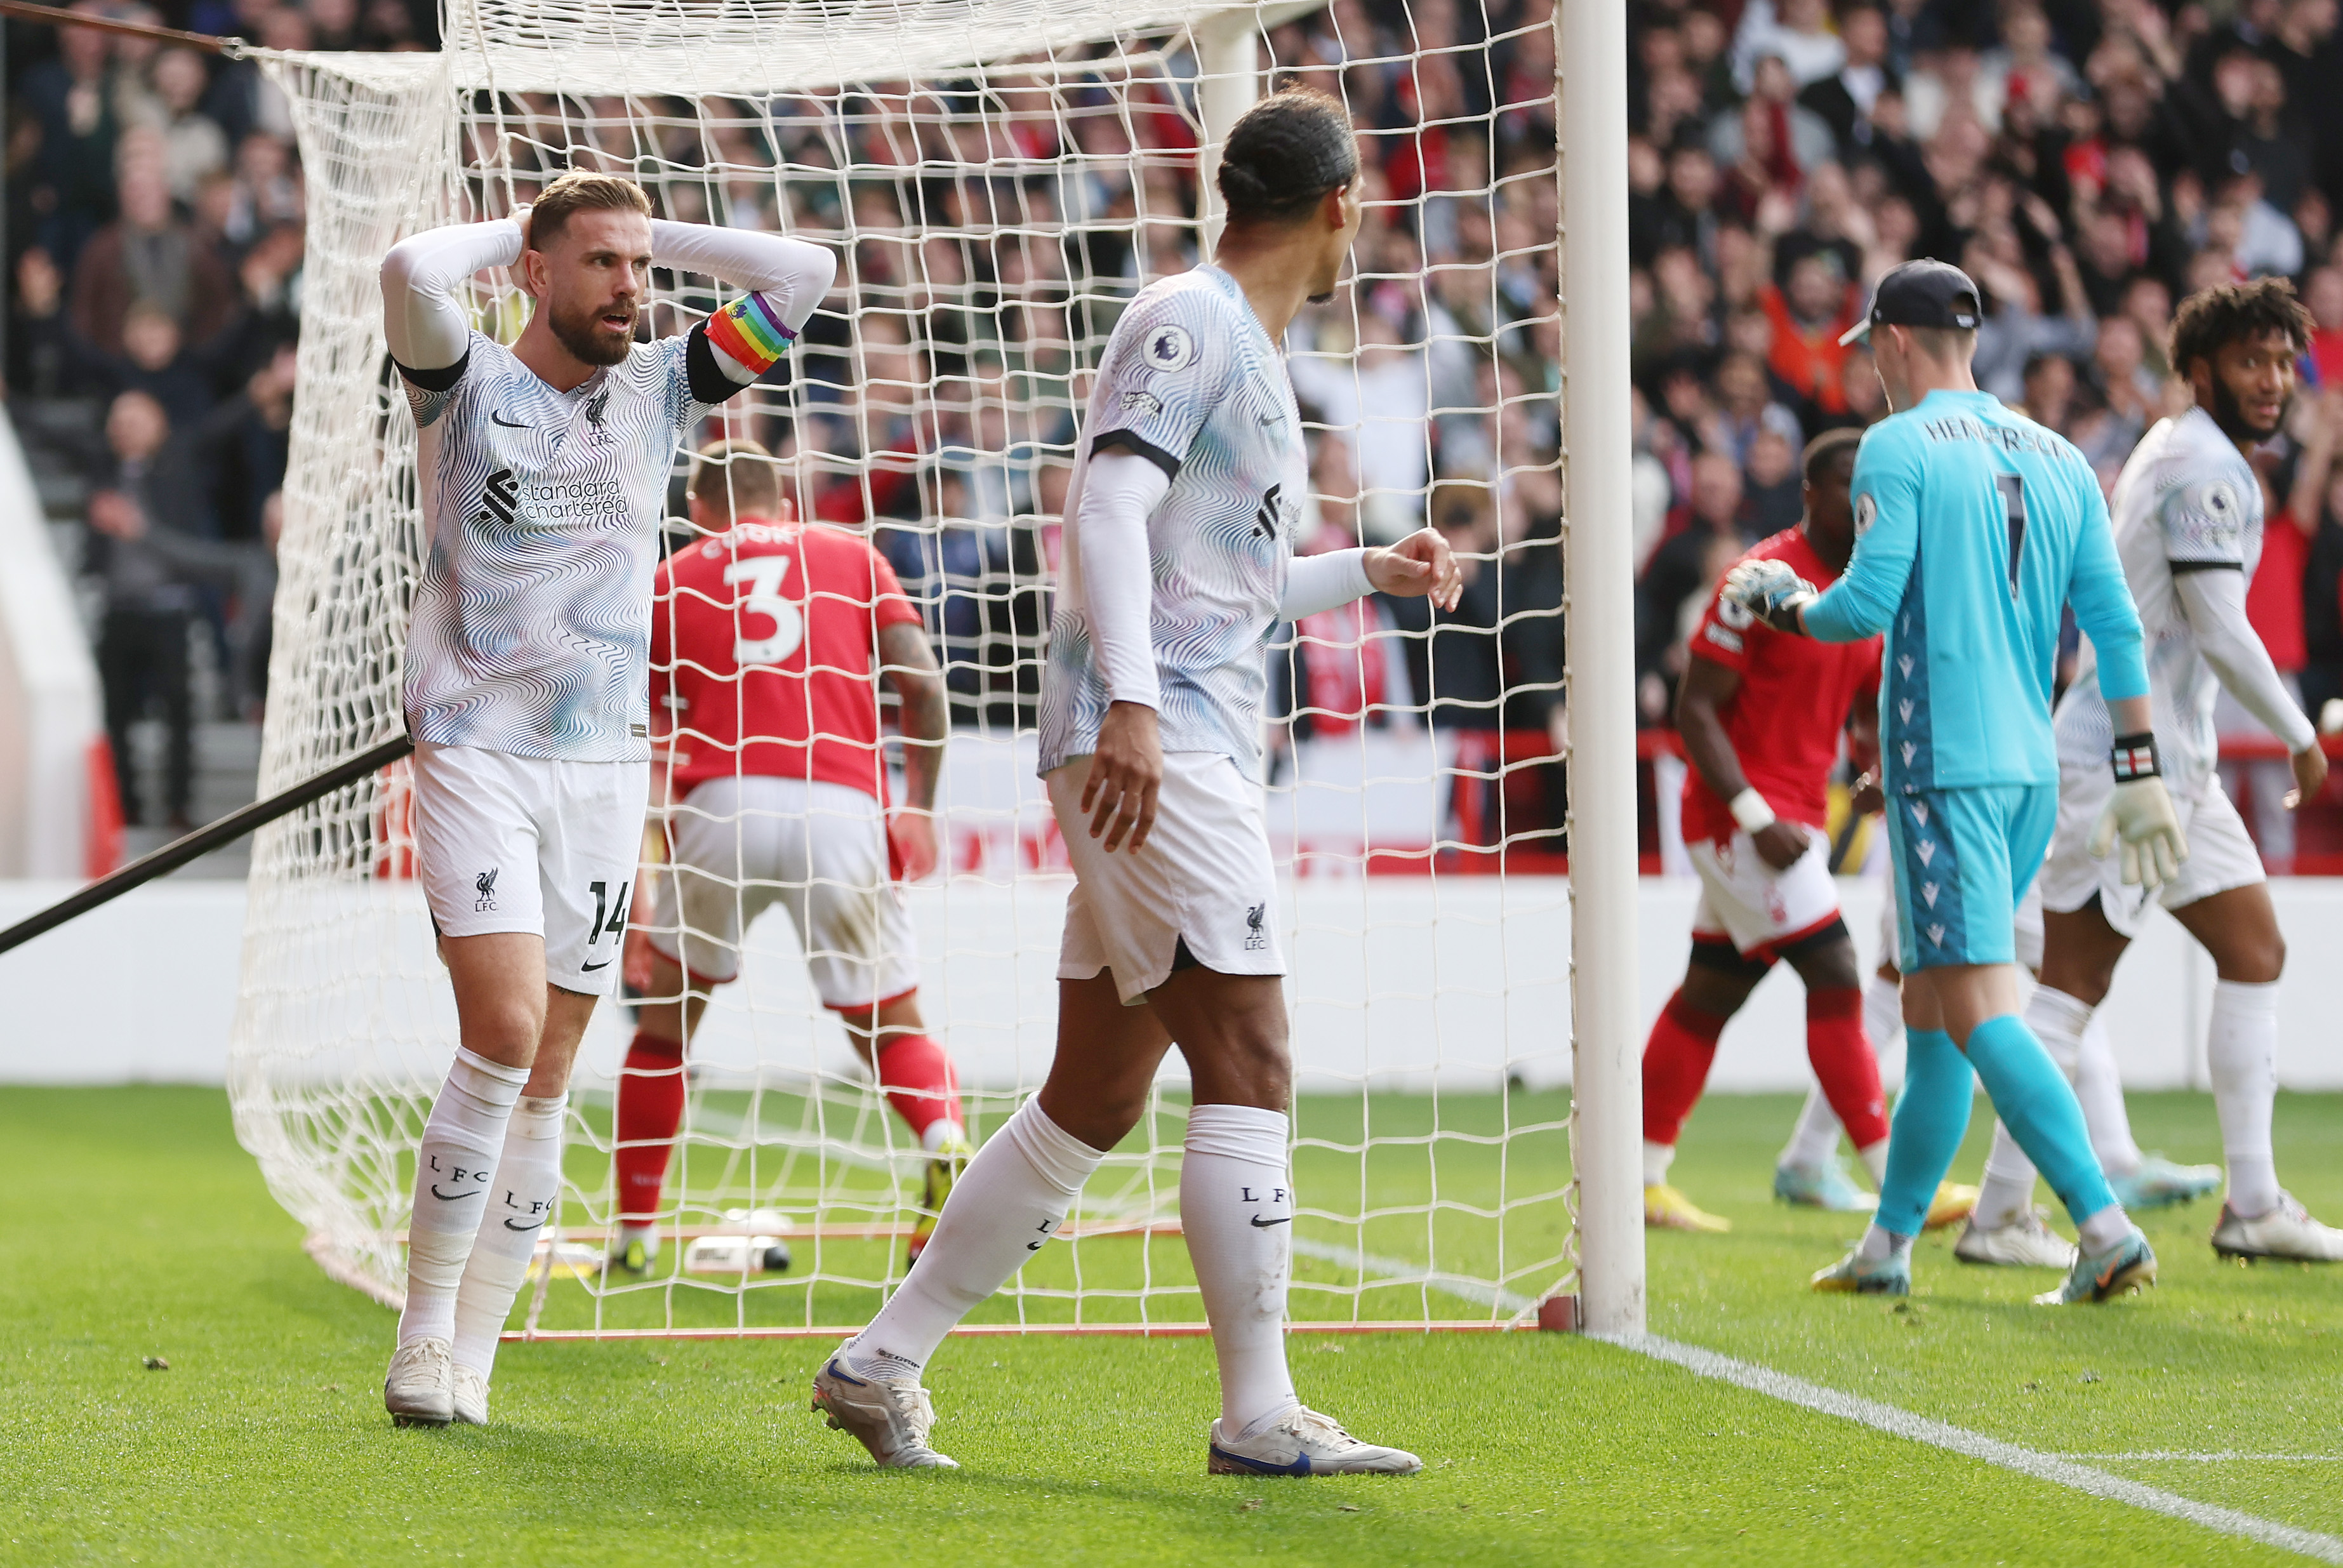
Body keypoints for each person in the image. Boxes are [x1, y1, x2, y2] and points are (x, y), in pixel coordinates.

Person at [809, 87, 1459, 1477]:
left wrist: (1369, 570)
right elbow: (1105, 502)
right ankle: (1258, 1414)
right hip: (1164, 744)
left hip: (1171, 728)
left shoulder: (1247, 349)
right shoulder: (1193, 319)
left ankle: (878, 1363)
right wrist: (1137, 706)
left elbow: (1223, 581)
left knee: (1094, 1095)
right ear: (1339, 206)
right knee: (1252, 1060)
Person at [375, 171, 837, 1428]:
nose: (631, 286)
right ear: (534, 273)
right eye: (601, 264)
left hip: (602, 769)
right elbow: (411, 268)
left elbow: (805, 274)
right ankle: (420, 1338)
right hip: (474, 749)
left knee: (551, 1068)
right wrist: (533, 221)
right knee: (505, 1029)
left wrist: (638, 230)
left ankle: (472, 1359)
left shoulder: (664, 387)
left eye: (641, 266)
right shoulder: (459, 381)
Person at [1725, 258, 2184, 1306]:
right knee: (1929, 1012)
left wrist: (1782, 600)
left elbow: (1861, 606)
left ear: (1891, 341)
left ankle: (2103, 1228)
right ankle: (1887, 1244)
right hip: (2028, 769)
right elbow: (2115, 626)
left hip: (1943, 768)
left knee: (1977, 1010)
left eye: (1869, 352)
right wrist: (2137, 767)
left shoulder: (1896, 444)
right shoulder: (2059, 455)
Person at [2005, 279, 2343, 1263]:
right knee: (2069, 987)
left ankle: (2251, 1204)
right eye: (2248, 361)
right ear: (2198, 369)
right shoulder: (2204, 469)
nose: (2271, 380)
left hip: (2166, 757)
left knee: (2253, 950)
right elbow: (2219, 628)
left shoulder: (2178, 447)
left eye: (2281, 361)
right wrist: (2298, 732)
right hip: (2125, 761)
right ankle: (1997, 1213)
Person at [611, 437, 964, 1277]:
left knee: (664, 1030)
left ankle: (634, 1236)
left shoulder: (670, 579)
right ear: (786, 503)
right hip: (840, 803)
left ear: (697, 511)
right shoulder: (852, 557)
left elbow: (641, 747)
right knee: (889, 1025)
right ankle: (942, 1132)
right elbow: (923, 685)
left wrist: (639, 892)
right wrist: (918, 805)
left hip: (719, 802)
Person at [1641, 430, 1901, 1232]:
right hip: (1738, 820)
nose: (1864, 500)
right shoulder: (1756, 580)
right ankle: (1899, 1185)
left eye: (1873, 484)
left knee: (1707, 996)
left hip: (1796, 820)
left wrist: (1870, 770)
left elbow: (1865, 707)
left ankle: (1636, 1178)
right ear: (1810, 494)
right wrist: (1754, 816)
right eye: (1848, 484)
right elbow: (1694, 710)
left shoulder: (1864, 589)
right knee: (1837, 971)